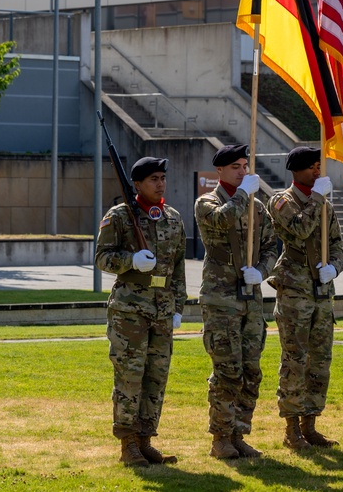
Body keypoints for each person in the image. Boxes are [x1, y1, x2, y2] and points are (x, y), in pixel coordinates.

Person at [95, 156, 186, 467]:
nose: (160, 183)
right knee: (130, 378)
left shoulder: (172, 218)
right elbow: (102, 258)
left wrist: (178, 306)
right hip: (130, 309)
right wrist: (130, 260)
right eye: (153, 179)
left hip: (162, 309)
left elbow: (178, 267)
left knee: (155, 378)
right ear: (136, 184)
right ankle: (128, 443)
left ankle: (146, 440)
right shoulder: (119, 216)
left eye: (162, 177)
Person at [194, 144, 278, 459]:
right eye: (236, 167)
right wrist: (243, 194)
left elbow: (272, 244)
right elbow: (220, 221)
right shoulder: (207, 202)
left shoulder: (257, 207)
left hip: (251, 300)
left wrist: (263, 270)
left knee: (251, 371)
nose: (243, 171)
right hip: (221, 298)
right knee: (227, 371)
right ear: (220, 171)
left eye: (245, 166)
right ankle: (220, 438)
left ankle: (239, 433)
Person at [266, 146, 343, 449]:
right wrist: (318, 199)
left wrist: (334, 267)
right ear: (297, 170)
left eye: (318, 166)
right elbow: (299, 228)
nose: (317, 171)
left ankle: (310, 424)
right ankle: (291, 429)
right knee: (295, 359)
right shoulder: (281, 200)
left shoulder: (324, 202)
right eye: (312, 166)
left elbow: (335, 242)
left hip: (321, 291)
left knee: (319, 361)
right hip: (295, 290)